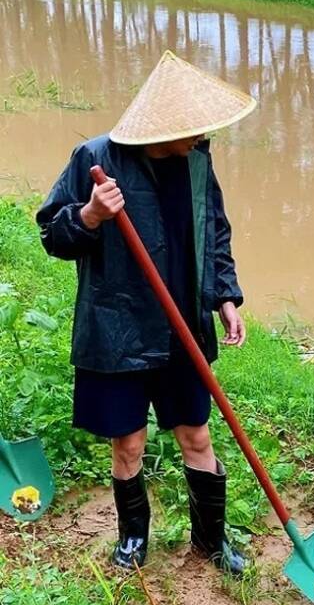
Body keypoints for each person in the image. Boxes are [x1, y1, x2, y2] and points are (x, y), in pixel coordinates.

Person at [36, 51, 256, 574]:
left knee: (195, 435)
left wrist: (224, 296)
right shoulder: (95, 158)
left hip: (183, 326)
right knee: (128, 443)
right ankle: (134, 539)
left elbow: (214, 231)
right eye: (194, 131)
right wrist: (90, 214)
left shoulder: (197, 160)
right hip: (120, 325)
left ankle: (211, 541)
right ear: (162, 129)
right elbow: (52, 232)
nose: (204, 139)